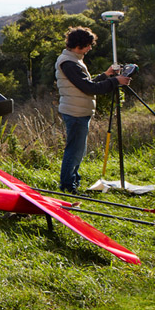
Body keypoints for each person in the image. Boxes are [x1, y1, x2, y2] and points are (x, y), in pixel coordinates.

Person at [56, 26, 131, 193]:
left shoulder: (73, 59)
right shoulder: (68, 63)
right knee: (74, 151)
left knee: (78, 150)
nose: (90, 48)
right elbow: (89, 88)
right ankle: (68, 186)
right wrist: (116, 82)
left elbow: (85, 84)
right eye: (88, 45)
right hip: (75, 112)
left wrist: (106, 75)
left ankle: (72, 181)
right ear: (79, 45)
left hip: (79, 111)